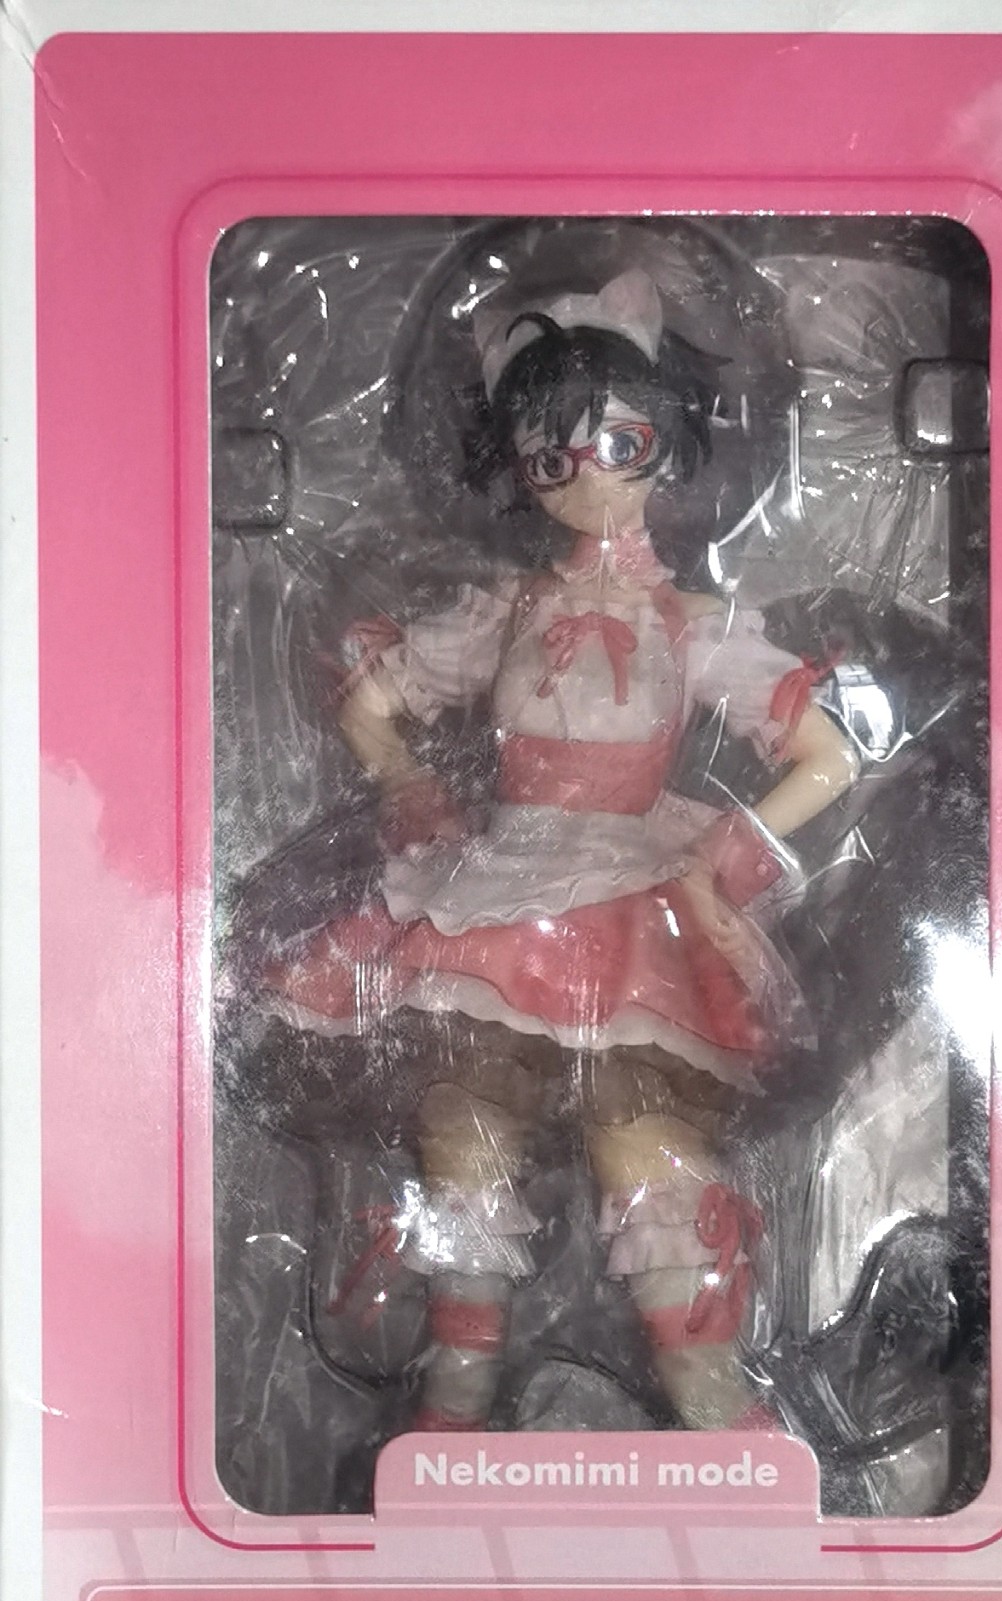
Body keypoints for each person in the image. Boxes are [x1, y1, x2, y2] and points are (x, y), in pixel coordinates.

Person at [263, 268, 859, 1435]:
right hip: (501, 891)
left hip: (633, 898)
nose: (589, 477)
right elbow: (370, 704)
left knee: (647, 1147)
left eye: (621, 445)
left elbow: (826, 755)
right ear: (522, 468)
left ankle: (711, 1393)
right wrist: (408, 785)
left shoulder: (693, 626)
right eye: (552, 458)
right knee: (462, 1136)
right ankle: (454, 1392)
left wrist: (730, 849)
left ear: (667, 448)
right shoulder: (507, 610)